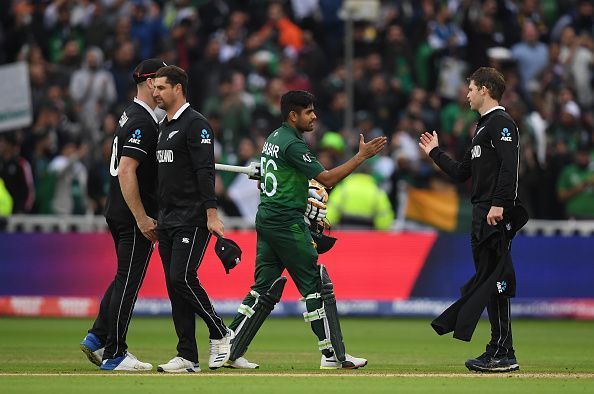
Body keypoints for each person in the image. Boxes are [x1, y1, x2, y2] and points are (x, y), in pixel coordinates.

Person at [226, 90, 386, 369]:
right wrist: (361, 157)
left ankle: (231, 350)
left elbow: (272, 177)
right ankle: (333, 355)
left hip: (267, 217)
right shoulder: (293, 145)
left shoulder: (273, 138)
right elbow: (327, 179)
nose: (314, 116)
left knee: (263, 288)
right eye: (309, 111)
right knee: (316, 285)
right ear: (293, 115)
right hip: (287, 222)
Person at [418, 67, 528, 373]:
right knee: (488, 280)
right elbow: (461, 173)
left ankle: (503, 351)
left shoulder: (502, 124)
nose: (466, 94)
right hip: (482, 214)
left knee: (496, 280)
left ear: (484, 89)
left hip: (494, 214)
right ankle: (499, 347)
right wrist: (435, 153)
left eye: (470, 88)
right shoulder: (482, 128)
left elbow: (510, 166)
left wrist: (500, 205)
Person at [80, 58, 166, 371]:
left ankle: (97, 336)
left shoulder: (131, 114)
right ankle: (115, 353)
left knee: (123, 277)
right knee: (129, 283)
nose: (165, 89)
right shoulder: (143, 120)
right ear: (149, 82)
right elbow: (127, 170)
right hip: (132, 215)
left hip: (118, 209)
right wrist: (142, 217)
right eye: (162, 82)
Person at [152, 65, 234, 373]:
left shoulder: (196, 124)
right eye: (154, 88)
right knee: (175, 288)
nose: (155, 92)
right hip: (168, 219)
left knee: (181, 278)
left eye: (161, 87)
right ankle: (187, 355)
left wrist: (211, 213)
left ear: (178, 89)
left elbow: (205, 171)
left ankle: (221, 331)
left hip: (192, 217)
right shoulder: (164, 126)